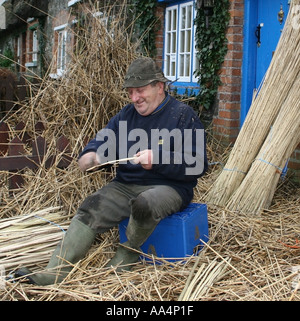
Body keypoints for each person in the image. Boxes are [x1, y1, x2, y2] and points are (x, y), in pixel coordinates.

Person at [15, 57, 208, 285]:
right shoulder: (126, 116)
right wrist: (91, 156)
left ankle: (127, 254)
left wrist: (158, 159)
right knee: (90, 207)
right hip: (125, 186)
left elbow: (198, 164)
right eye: (130, 92)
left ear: (159, 86)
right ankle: (54, 271)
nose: (135, 98)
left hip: (169, 187)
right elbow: (101, 141)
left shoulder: (182, 115)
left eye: (140, 90)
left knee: (145, 203)